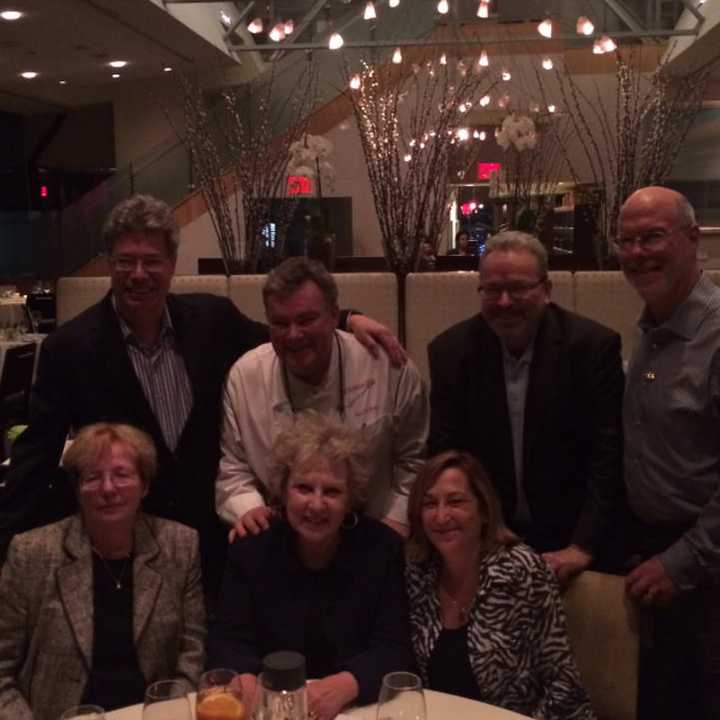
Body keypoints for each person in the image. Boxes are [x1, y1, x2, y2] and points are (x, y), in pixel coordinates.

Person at [0, 194, 405, 598]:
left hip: (213, 548)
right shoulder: (70, 348)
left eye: (151, 260)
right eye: (126, 260)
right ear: (110, 263)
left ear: (172, 265)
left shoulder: (212, 321)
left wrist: (348, 320)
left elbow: (285, 336)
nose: (138, 273)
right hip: (125, 548)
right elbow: (34, 458)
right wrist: (8, 545)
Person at [428, 231, 624, 581]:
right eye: (491, 290)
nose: (504, 301)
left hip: (575, 542)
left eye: (518, 289)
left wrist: (583, 546)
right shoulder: (450, 353)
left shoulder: (592, 348)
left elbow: (606, 457)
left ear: (547, 290)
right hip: (487, 537)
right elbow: (447, 456)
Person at [209, 412, 414, 720]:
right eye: (304, 488)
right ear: (282, 490)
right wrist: (246, 680)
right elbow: (228, 641)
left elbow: (395, 647)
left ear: (351, 498)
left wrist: (348, 683)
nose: (317, 505)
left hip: (357, 709)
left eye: (332, 491)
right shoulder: (251, 549)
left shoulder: (382, 549)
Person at [0, 422, 205, 720]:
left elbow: (192, 654)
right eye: (93, 477)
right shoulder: (32, 553)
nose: (108, 489)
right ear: (77, 488)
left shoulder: (180, 545)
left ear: (145, 485)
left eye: (122, 474)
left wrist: (168, 714)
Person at [216, 257, 428, 539]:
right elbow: (234, 468)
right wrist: (249, 509)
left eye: (306, 320)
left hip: (377, 533)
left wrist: (394, 526)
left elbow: (415, 460)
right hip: (282, 538)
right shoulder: (245, 376)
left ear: (334, 315)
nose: (293, 334)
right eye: (280, 323)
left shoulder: (387, 367)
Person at [617, 186, 720, 719]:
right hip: (655, 562)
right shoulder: (653, 326)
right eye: (627, 240)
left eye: (652, 236)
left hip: (705, 573)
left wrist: (681, 563)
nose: (637, 252)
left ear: (692, 239)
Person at [405, 450, 595, 720]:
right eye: (430, 503)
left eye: (455, 501)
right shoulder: (418, 572)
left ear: (483, 510)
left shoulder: (522, 571)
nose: (441, 515)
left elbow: (563, 684)